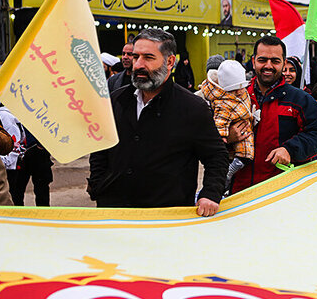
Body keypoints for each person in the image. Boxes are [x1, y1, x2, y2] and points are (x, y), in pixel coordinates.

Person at [88, 29, 228, 217]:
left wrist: (210, 193)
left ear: (170, 62)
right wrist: (98, 185)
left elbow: (216, 157)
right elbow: (100, 148)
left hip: (166, 217)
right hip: (114, 213)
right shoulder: (116, 101)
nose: (138, 64)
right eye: (136, 56)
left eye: (148, 58)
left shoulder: (192, 108)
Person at [229, 36, 317, 193]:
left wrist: (290, 149)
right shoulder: (236, 97)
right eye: (263, 60)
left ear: (283, 63)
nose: (268, 66)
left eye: (275, 61)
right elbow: (209, 137)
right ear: (254, 61)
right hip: (239, 192)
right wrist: (228, 137)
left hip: (281, 192)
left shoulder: (300, 99)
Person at [200, 60, 255, 193]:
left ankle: (228, 176)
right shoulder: (222, 103)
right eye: (234, 90)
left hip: (244, 129)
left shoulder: (240, 93)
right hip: (235, 136)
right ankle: (228, 173)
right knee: (245, 156)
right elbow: (220, 121)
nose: (239, 92)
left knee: (247, 155)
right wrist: (223, 137)